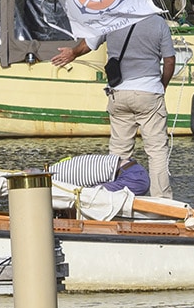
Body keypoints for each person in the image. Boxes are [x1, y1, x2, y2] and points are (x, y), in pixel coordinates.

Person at [53, 15, 175, 199]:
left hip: (118, 94)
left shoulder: (111, 18)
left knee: (118, 155)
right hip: (149, 93)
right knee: (157, 151)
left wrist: (73, 53)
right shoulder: (158, 22)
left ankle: (113, 201)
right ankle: (162, 202)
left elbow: (89, 43)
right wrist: (162, 85)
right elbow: (170, 61)